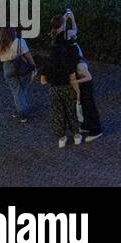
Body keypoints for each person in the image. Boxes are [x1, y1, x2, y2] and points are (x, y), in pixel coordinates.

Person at [39, 18, 81, 148]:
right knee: (71, 111)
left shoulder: (48, 63)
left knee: (58, 113)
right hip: (67, 88)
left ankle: (61, 138)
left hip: (54, 90)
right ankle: (76, 135)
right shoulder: (67, 62)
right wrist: (78, 92)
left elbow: (42, 81)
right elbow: (73, 79)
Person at [0, 26, 35, 123]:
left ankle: (19, 109)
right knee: (23, 88)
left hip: (7, 67)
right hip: (21, 66)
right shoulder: (19, 42)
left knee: (16, 90)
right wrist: (33, 67)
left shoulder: (0, 44)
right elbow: (28, 56)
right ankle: (23, 113)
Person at [73, 52, 103, 141]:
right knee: (85, 106)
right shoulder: (78, 63)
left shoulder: (80, 65)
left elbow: (89, 77)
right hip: (84, 86)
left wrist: (75, 82)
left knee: (89, 107)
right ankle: (86, 125)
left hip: (86, 86)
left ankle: (96, 130)